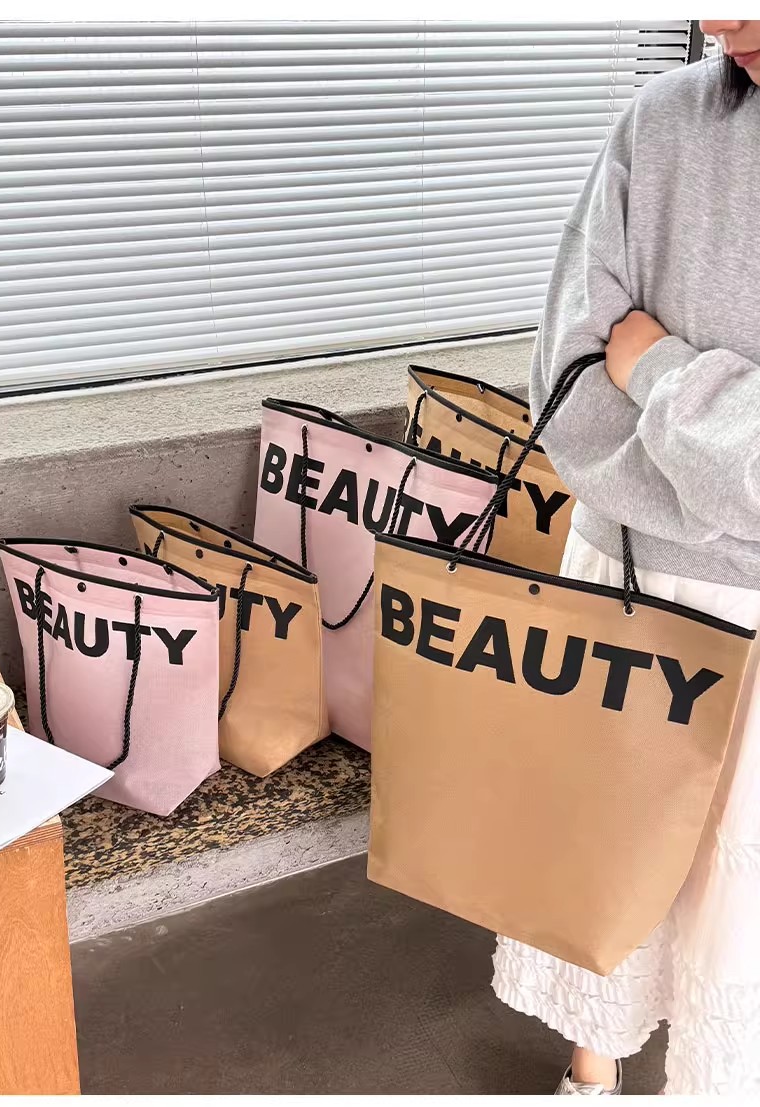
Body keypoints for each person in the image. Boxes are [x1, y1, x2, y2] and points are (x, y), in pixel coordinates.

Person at [491, 22, 760, 1097]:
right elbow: (564, 373)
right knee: (601, 849)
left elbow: (617, 361)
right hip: (625, 577)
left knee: (731, 913)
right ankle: (589, 1070)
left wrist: (657, 372)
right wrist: (719, 482)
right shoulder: (660, 120)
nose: (718, 24)